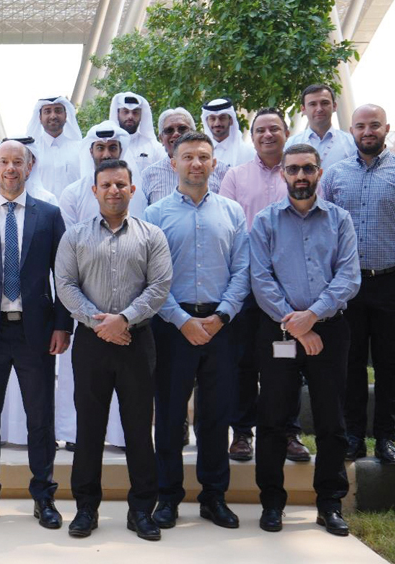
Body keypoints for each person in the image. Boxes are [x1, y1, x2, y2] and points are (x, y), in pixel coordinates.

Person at [0, 140, 71, 529]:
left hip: (35, 333)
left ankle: (44, 496)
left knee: (41, 418)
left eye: (17, 162)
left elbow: (64, 277)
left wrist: (62, 324)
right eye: (3, 162)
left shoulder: (50, 215)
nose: (10, 169)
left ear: (29, 167)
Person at [55, 159, 172, 541]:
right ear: (94, 190)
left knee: (139, 428)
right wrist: (100, 323)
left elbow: (159, 286)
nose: (114, 191)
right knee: (89, 428)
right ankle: (86, 508)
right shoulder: (74, 236)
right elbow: (66, 285)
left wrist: (123, 320)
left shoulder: (151, 235)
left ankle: (141, 510)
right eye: (106, 184)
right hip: (91, 343)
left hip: (138, 342)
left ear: (132, 190)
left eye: (121, 184)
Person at [250, 144, 360, 536]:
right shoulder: (265, 221)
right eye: (294, 169)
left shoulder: (340, 220)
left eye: (308, 169)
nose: (301, 176)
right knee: (274, 418)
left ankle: (329, 504)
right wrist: (297, 325)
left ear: (320, 172)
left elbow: (349, 276)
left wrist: (312, 317)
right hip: (278, 329)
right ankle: (272, 504)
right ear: (282, 173)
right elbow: (260, 280)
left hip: (328, 330)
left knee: (331, 420)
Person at [143, 132, 250, 531]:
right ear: (173, 163)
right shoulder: (155, 216)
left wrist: (221, 316)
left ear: (214, 163)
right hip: (173, 327)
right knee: (170, 415)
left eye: (203, 157)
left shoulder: (233, 212)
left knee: (215, 415)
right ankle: (168, 497)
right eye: (187, 156)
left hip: (221, 326)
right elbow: (151, 278)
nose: (196, 164)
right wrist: (182, 320)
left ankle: (213, 496)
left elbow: (244, 270)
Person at [320, 104, 395, 464]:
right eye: (360, 126)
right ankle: (355, 436)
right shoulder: (335, 175)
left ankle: (386, 437)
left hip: (392, 281)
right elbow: (322, 229)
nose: (367, 131)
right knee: (351, 362)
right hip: (349, 285)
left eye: (374, 125)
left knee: (390, 361)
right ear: (351, 131)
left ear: (386, 128)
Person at [220, 108, 310, 463]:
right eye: (260, 130)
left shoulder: (299, 175)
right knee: (242, 361)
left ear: (287, 132)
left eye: (274, 128)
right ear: (252, 136)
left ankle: (289, 431)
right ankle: (242, 433)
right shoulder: (235, 176)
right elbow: (229, 229)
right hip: (245, 286)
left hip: (290, 288)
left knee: (287, 361)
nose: (267, 134)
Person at [56, 121, 138, 451]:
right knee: (81, 382)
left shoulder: (136, 191)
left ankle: (120, 437)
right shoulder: (73, 193)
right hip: (83, 306)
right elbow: (69, 256)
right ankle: (76, 434)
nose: (105, 154)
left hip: (128, 308)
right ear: (90, 151)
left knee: (129, 383)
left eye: (112, 149)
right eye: (100, 149)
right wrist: (92, 314)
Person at [141, 107, 226, 205]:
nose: (176, 134)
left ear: (194, 133)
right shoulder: (148, 175)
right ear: (161, 138)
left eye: (182, 129)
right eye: (169, 130)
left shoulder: (221, 170)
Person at [24, 96, 84, 199]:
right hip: (41, 212)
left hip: (74, 212)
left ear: (66, 116)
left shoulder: (80, 148)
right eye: (47, 111)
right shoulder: (31, 151)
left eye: (58, 111)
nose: (53, 116)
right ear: (40, 118)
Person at [286, 84, 356, 168]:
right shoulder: (291, 144)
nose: (319, 109)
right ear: (303, 109)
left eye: (325, 103)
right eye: (312, 104)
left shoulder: (351, 143)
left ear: (334, 106)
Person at [0, 138, 59, 207]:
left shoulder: (47, 200)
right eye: (4, 161)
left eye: (18, 162)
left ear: (31, 164)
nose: (11, 169)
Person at [108, 91, 168, 178]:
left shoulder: (154, 147)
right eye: (126, 112)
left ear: (141, 115)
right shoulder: (107, 146)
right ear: (117, 114)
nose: (130, 116)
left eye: (135, 112)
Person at [201, 98, 254, 167]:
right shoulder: (199, 152)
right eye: (212, 119)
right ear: (206, 122)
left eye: (222, 118)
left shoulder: (248, 152)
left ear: (231, 120)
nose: (217, 123)